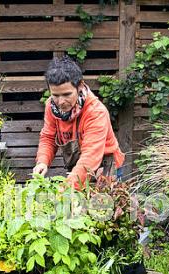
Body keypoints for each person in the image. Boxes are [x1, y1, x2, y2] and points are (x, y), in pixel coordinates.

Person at [32, 57, 125, 187]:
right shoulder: (51, 106)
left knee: (102, 206)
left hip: (105, 167)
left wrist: (66, 188)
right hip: (77, 168)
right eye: (56, 95)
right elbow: (48, 137)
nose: (61, 102)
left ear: (80, 86)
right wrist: (42, 161)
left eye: (66, 94)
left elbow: (90, 156)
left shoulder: (95, 112)